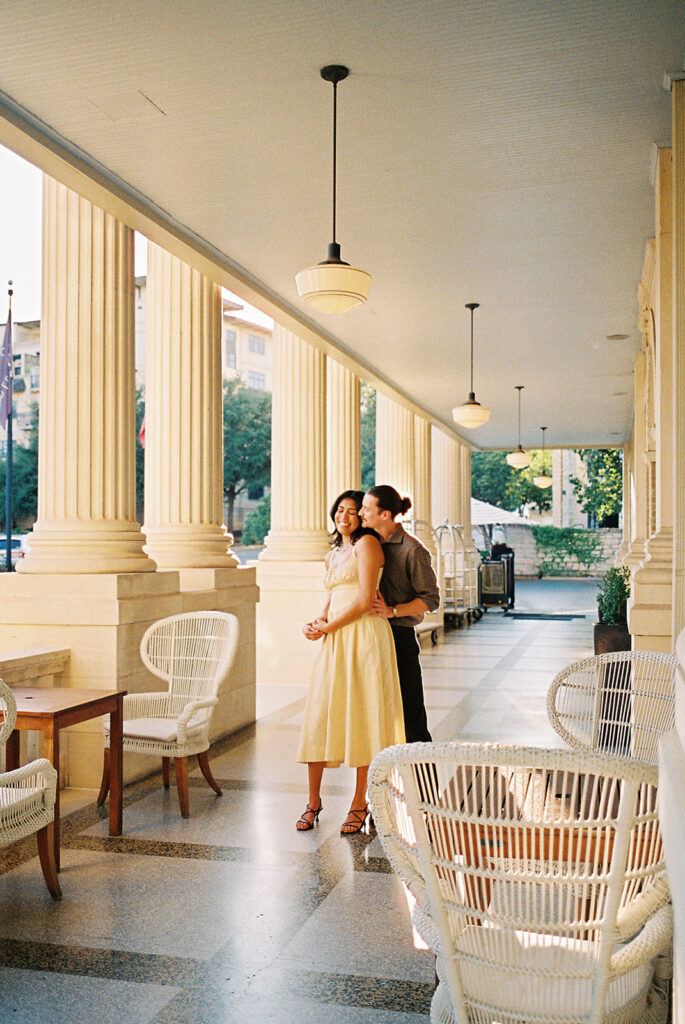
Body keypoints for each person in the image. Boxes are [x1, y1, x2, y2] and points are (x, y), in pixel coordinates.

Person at [296, 489, 405, 835]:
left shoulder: (367, 545)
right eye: (340, 510)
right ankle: (313, 801)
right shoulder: (333, 554)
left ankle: (360, 802)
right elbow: (333, 598)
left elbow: (362, 600)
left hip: (364, 636)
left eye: (353, 511)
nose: (344, 516)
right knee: (319, 715)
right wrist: (316, 624)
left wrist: (331, 626)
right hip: (337, 636)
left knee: (364, 715)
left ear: (363, 517)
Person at [360, 485, 440, 743]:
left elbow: (431, 599)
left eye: (366, 508)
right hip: (370, 636)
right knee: (373, 712)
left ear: (385, 514)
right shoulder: (365, 543)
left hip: (399, 637)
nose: (361, 513)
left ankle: (424, 780)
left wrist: (392, 611)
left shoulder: (413, 549)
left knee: (411, 716)